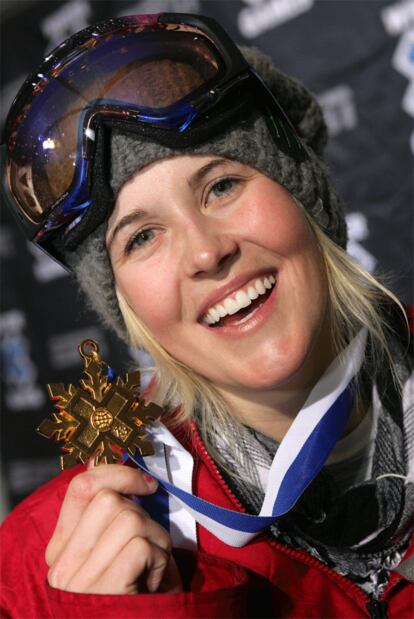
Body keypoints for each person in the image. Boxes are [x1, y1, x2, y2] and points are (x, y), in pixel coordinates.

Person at [1, 12, 413, 619]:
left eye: (221, 186)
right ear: (128, 308)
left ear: (305, 195)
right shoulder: (36, 576)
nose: (205, 251)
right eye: (141, 237)